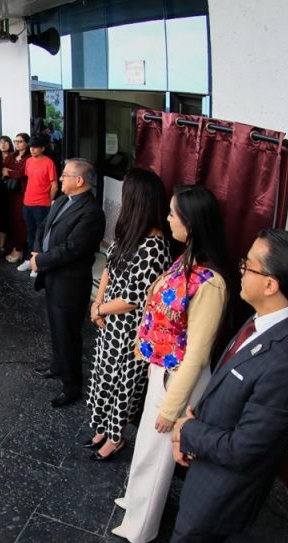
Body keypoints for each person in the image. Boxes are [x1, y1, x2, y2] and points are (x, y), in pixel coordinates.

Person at [123, 227, 288, 543]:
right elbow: (229, 385)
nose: (240, 269)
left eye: (249, 265)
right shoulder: (260, 321)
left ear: (271, 284)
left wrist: (186, 430)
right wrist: (195, 422)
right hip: (208, 458)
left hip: (224, 486)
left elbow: (247, 449)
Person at [112, 185, 231, 543]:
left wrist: (172, 407)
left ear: (190, 223)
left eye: (172, 214)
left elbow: (197, 353)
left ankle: (141, 527)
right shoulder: (186, 259)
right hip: (163, 368)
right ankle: (134, 499)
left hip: (179, 378)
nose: (167, 219)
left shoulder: (211, 282)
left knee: (157, 451)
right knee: (146, 444)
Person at [85, 169, 171, 461]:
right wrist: (97, 303)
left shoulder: (155, 246)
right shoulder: (130, 232)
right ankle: (102, 428)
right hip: (110, 321)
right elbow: (108, 269)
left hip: (130, 330)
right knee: (104, 377)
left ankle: (115, 437)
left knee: (123, 385)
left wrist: (100, 309)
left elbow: (134, 299)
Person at [31, 158, 105, 407]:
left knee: (69, 334)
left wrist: (40, 260)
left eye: (65, 175)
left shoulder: (91, 212)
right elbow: (43, 227)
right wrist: (36, 252)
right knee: (55, 326)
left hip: (70, 283)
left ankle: (72, 386)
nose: (60, 178)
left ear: (79, 180)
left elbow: (72, 249)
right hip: (52, 275)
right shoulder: (63, 200)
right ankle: (57, 365)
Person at [18, 133, 58, 275]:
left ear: (42, 148)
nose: (32, 149)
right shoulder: (28, 161)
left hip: (42, 204)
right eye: (31, 147)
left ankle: (39, 264)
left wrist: (49, 202)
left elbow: (54, 185)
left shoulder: (49, 163)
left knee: (40, 234)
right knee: (30, 232)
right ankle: (30, 260)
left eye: (35, 147)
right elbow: (29, 179)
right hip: (27, 202)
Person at [2, 133, 30, 263]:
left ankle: (20, 249)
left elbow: (22, 173)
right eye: (15, 141)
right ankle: (16, 246)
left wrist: (10, 172)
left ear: (27, 143)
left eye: (20, 141)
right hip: (11, 192)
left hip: (23, 192)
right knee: (12, 220)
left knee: (21, 221)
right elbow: (3, 169)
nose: (17, 144)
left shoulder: (28, 157)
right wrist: (11, 172)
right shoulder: (12, 156)